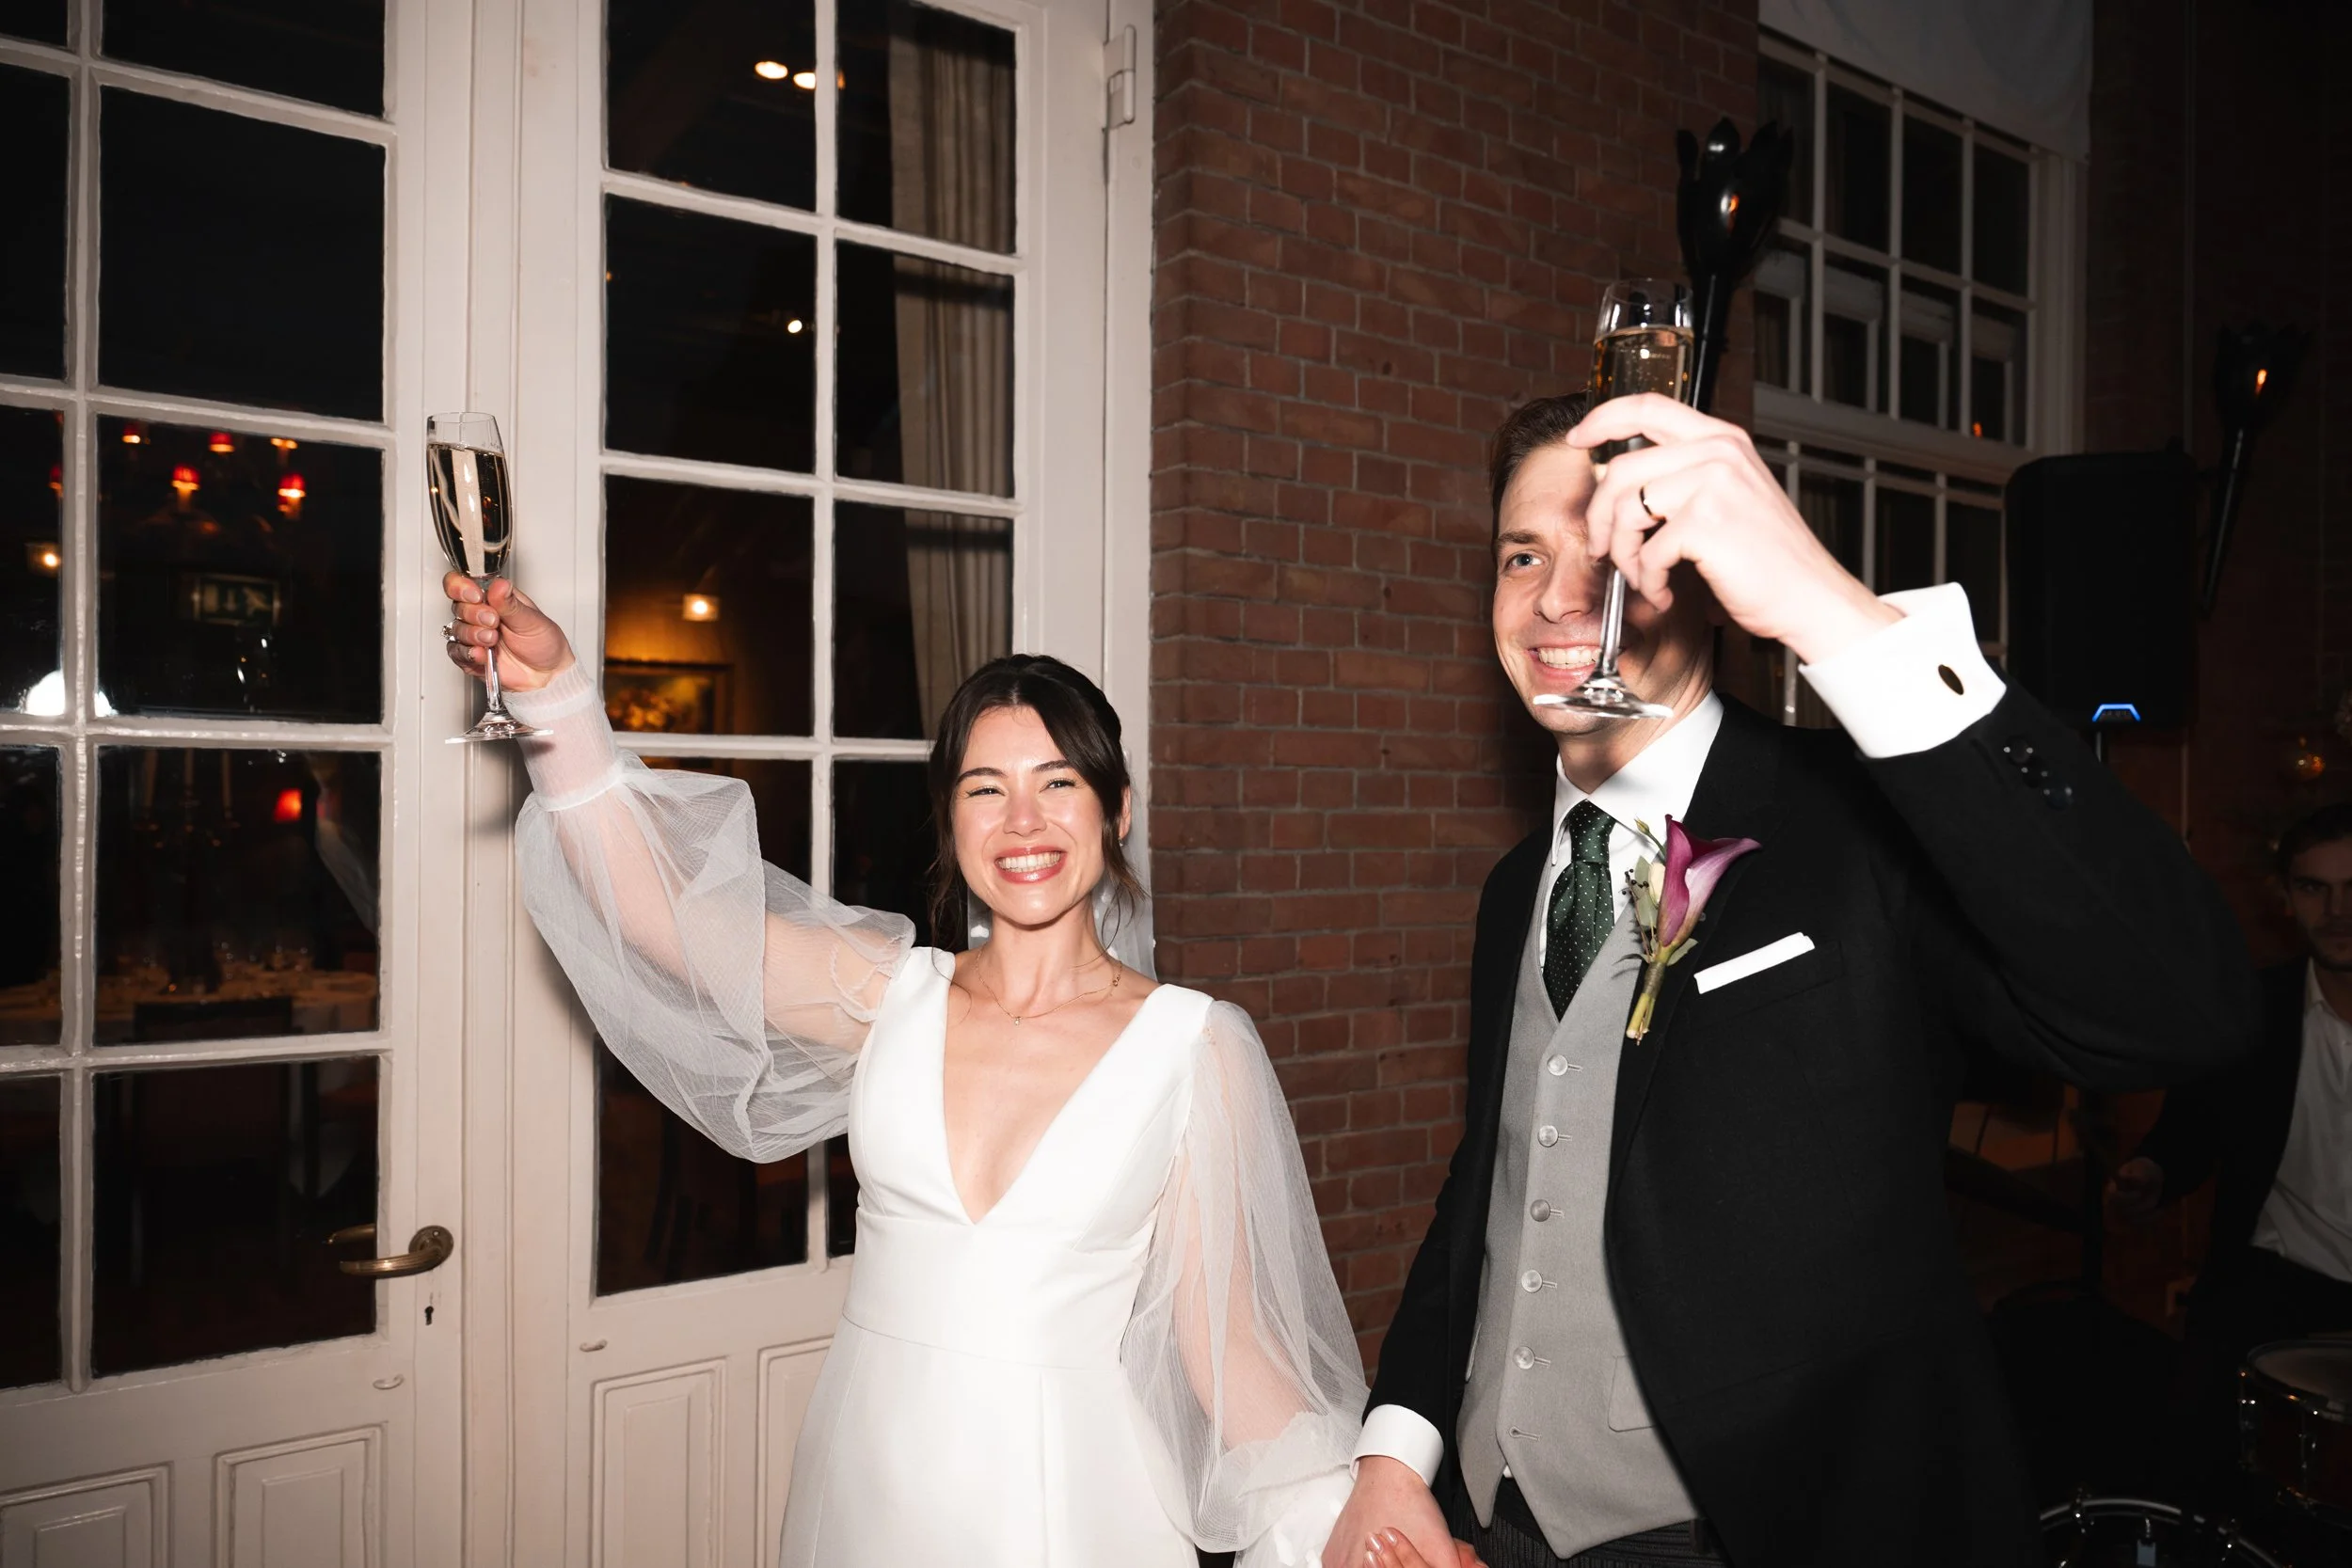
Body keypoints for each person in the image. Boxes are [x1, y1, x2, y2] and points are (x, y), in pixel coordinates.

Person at [1322, 393, 2259, 1568]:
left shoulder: (1861, 825)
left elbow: (2182, 1006)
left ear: (1709, 579)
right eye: (1523, 555)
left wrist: (1837, 617)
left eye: (1610, 552)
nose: (1561, 599)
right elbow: (1498, 1173)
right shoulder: (1519, 882)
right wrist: (1394, 1451)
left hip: (1770, 1529)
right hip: (1494, 1524)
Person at [439, 575, 1373, 1568]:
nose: (1024, 821)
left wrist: (1357, 1523)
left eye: (1059, 782)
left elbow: (1234, 1351)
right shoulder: (891, 995)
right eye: (986, 788)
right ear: (950, 818)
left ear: (1117, 807)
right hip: (867, 1483)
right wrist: (556, 699)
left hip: (1072, 1509)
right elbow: (660, 917)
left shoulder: (1194, 1045)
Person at [2107, 801, 2352, 1482]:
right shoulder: (2252, 1005)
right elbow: (2190, 1128)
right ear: (2285, 897)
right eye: (2314, 888)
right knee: (2192, 1463)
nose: (2337, 910)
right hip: (2270, 1284)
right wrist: (2153, 1169)